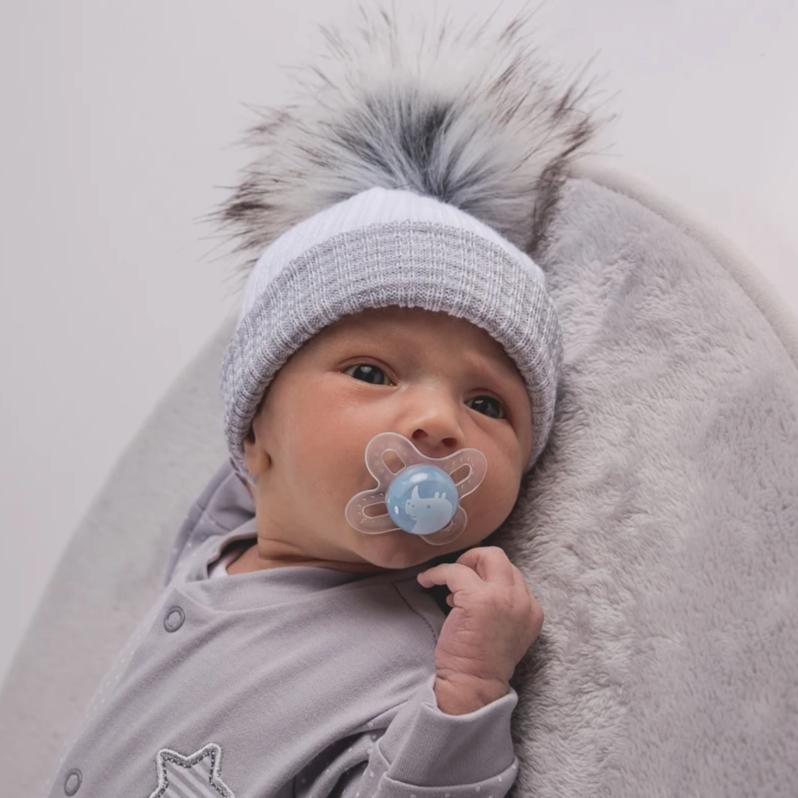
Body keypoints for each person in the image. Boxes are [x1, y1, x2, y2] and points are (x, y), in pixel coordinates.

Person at [45, 4, 603, 796]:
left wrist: (473, 693)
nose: (439, 424)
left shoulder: (421, 658)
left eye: (489, 405)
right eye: (373, 374)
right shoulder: (210, 559)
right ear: (252, 442)